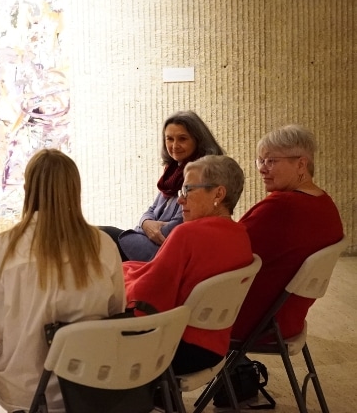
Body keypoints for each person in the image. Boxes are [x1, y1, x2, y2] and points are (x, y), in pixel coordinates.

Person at [0, 149, 126, 412]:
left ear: (28, 188)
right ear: (75, 189)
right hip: (92, 385)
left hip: (27, 389)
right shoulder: (103, 245)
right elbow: (116, 311)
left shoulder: (5, 247)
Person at [124, 155, 252, 375]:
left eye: (188, 190)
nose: (180, 200)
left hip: (172, 347)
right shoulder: (241, 235)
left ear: (218, 194)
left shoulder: (187, 234)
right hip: (213, 346)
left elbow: (145, 299)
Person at [231, 125, 343, 342]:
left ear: (301, 164)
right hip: (287, 320)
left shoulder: (282, 205)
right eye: (260, 161)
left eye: (271, 161)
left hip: (251, 321)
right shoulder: (324, 202)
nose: (262, 169)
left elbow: (228, 249)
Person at [102, 110, 224, 262]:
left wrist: (145, 227)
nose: (174, 145)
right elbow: (151, 210)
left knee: (100, 237)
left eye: (182, 139)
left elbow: (175, 229)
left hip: (165, 252)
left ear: (198, 140)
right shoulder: (173, 171)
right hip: (148, 240)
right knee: (94, 236)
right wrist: (146, 224)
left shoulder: (200, 174)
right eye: (169, 139)